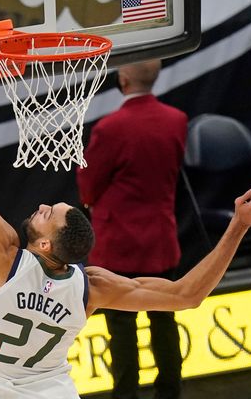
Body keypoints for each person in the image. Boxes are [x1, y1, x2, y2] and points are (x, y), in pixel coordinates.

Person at [0, 5, 251, 398]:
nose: (43, 206)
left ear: (46, 244)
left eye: (50, 214)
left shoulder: (3, 254)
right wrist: (238, 226)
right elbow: (187, 296)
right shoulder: (90, 288)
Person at [76, 59, 187, 399]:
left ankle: (125, 396)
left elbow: (88, 189)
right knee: (164, 322)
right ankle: (170, 393)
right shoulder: (177, 120)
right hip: (160, 239)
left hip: (117, 244)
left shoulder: (111, 128)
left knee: (121, 328)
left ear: (122, 78)